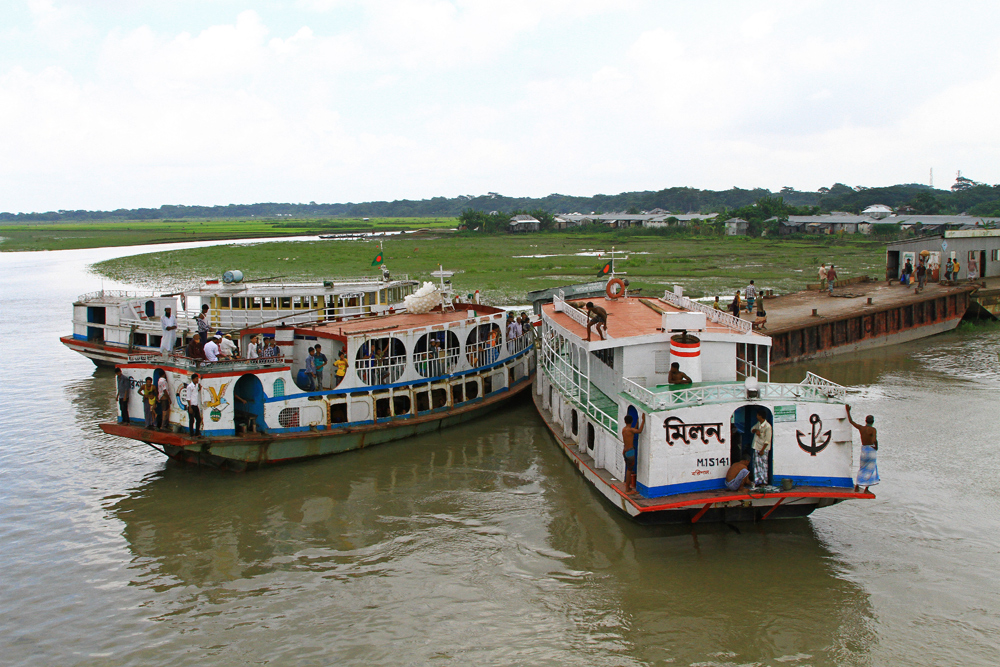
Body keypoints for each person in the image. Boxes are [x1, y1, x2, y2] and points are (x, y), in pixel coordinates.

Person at [846, 405, 879, 493]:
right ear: (873, 422)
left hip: (864, 449)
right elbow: (874, 440)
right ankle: (866, 489)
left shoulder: (861, 428)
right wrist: (876, 446)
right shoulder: (873, 429)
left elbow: (851, 421)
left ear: (865, 421)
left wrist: (848, 411)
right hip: (871, 450)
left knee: (862, 468)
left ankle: (857, 486)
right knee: (870, 469)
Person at [621, 413, 645, 493]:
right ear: (631, 421)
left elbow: (632, 432)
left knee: (628, 468)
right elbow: (639, 431)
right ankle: (627, 488)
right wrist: (643, 421)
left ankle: (628, 487)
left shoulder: (624, 430)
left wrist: (637, 423)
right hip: (630, 452)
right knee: (629, 470)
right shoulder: (631, 430)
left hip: (625, 451)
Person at [750, 411, 772, 487]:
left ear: (760, 415)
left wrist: (762, 450)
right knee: (756, 464)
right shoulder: (758, 424)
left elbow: (767, 440)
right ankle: (757, 480)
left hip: (763, 449)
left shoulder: (767, 426)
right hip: (756, 447)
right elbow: (752, 429)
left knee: (763, 465)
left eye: (757, 415)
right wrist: (756, 430)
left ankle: (764, 481)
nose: (756, 416)